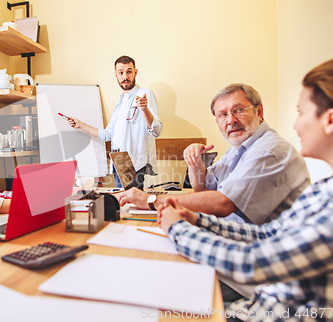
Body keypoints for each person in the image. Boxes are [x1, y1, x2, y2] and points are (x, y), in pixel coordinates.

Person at [159, 55, 333, 321]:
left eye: (301, 113)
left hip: (266, 305)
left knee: (167, 293)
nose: (295, 125)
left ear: (329, 120)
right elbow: (269, 234)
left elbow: (253, 262)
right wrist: (195, 219)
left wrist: (177, 228)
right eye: (223, 115)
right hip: (260, 300)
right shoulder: (330, 189)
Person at [119, 83, 310, 225]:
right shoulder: (236, 151)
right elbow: (201, 187)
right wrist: (194, 163)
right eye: (223, 115)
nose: (231, 120)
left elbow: (223, 203)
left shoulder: (270, 150)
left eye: (239, 110)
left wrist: (150, 200)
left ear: (259, 111)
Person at [68, 55, 163, 190]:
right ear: (116, 75)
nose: (125, 76)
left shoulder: (145, 94)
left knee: (131, 204)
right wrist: (81, 125)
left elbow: (156, 130)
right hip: (118, 161)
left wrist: (144, 109)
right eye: (121, 72)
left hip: (133, 162)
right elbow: (107, 134)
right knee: (122, 204)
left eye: (129, 72)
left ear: (135, 72)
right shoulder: (120, 103)